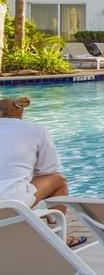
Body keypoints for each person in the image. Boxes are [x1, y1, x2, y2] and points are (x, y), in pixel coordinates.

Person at [0, 96, 84, 246]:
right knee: (58, 180)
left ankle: (38, 221)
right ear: (20, 113)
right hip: (11, 203)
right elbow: (48, 170)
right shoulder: (36, 130)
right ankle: (58, 237)